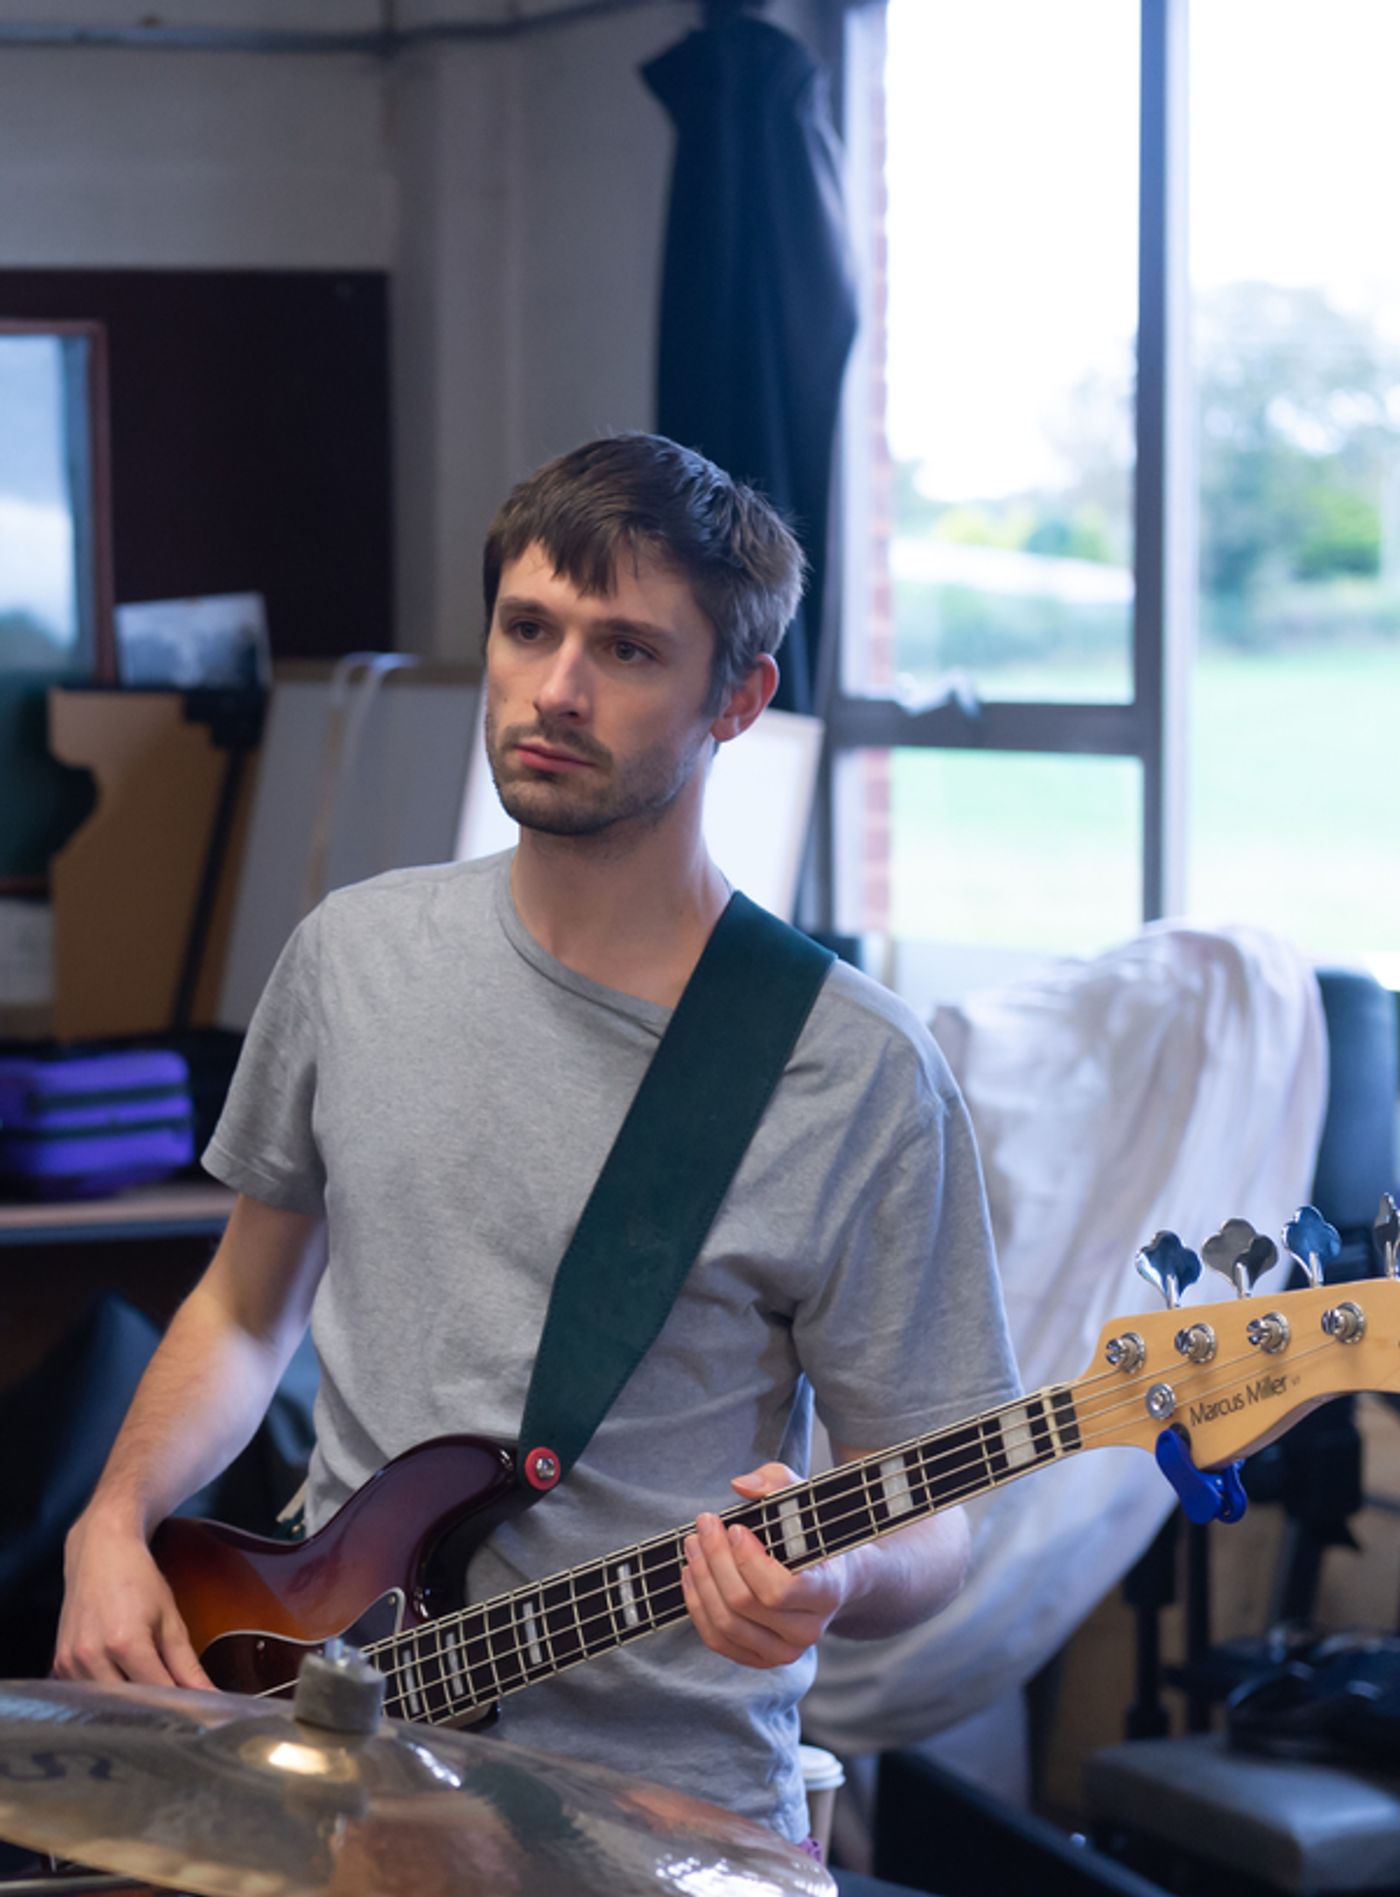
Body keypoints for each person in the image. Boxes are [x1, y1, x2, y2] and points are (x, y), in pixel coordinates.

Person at [55, 433, 1019, 1845]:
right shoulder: (352, 955)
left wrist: (838, 1577)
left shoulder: (855, 1072)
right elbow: (247, 1308)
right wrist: (114, 1519)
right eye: (529, 628)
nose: (556, 689)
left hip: (666, 1816)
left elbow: (945, 1496)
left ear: (737, 699)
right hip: (344, 1774)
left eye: (627, 650)